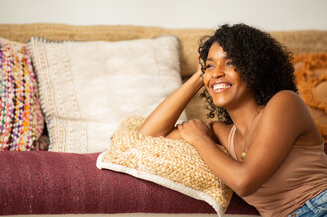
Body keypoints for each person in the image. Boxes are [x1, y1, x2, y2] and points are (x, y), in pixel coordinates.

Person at [138, 23, 327, 217]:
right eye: (210, 65)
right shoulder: (224, 133)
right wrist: (198, 78)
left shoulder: (285, 103)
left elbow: (243, 181)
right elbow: (146, 137)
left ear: (255, 67)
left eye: (230, 63)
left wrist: (200, 140)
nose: (216, 72)